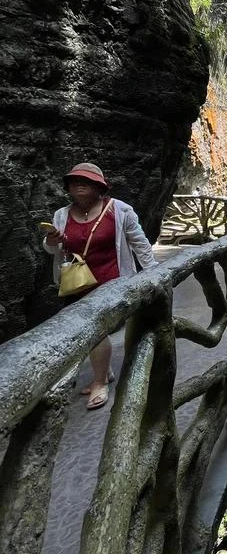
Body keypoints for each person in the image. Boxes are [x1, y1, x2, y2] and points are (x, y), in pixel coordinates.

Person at [43, 162, 157, 410]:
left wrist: (155, 274)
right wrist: (52, 240)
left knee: (96, 331)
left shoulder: (120, 210)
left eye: (86, 181)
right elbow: (53, 250)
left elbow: (139, 243)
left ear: (99, 187)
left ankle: (99, 382)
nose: (79, 185)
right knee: (92, 332)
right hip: (77, 283)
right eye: (74, 182)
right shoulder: (62, 215)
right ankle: (104, 372)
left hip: (111, 281)